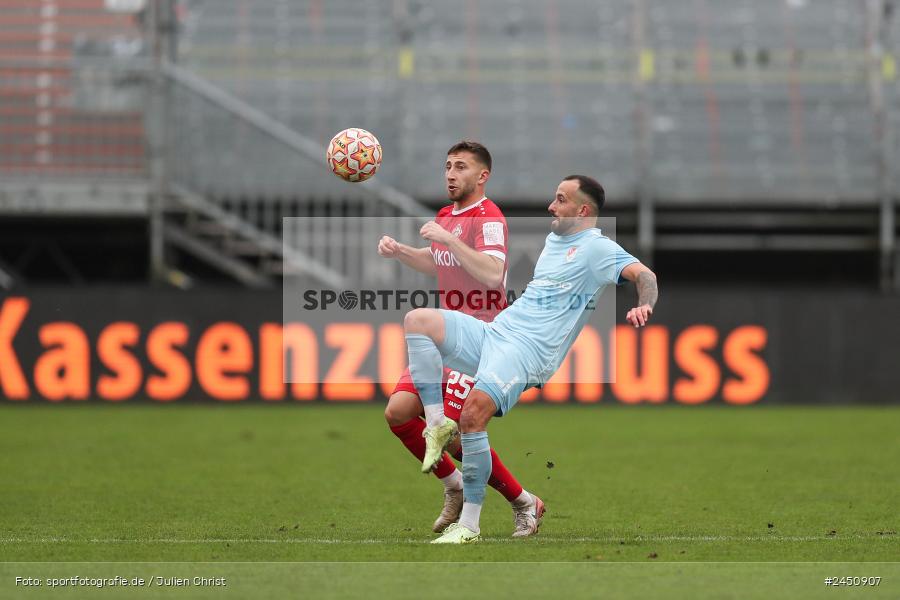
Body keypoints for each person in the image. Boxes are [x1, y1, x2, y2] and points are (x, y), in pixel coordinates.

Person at [403, 174, 659, 544]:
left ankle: (469, 527)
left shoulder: (597, 249)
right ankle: (437, 423)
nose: (550, 207)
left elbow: (644, 275)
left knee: (473, 416)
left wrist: (644, 304)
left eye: (560, 200)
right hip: (499, 332)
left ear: (582, 210)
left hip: (528, 352)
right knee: (418, 321)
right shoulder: (556, 238)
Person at [378, 141, 544, 537]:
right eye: (448, 166)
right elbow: (439, 261)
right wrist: (402, 252)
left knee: (458, 431)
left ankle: (522, 502)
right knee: (398, 413)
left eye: (461, 167)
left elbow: (491, 274)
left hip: (479, 338)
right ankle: (453, 486)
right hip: (444, 334)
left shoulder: (489, 219)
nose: (451, 174)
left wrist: (449, 239)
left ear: (482, 176)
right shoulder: (445, 215)